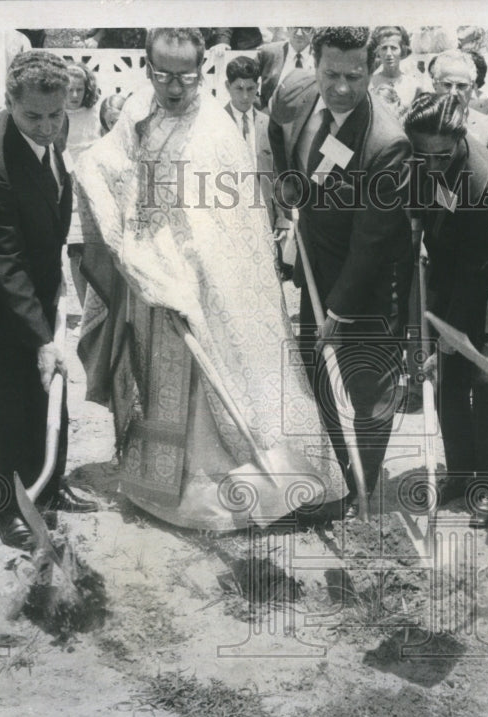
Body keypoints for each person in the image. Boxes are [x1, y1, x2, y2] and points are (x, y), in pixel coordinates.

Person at [76, 28, 346, 531]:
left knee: (222, 387)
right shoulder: (138, 113)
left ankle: (230, 492)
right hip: (149, 278)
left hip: (206, 284)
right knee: (159, 381)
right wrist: (135, 248)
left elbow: (231, 228)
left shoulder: (216, 134)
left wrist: (188, 275)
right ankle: (160, 486)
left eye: (185, 76)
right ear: (147, 67)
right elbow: (104, 165)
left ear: (201, 71)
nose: (174, 87)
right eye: (162, 75)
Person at [0, 51, 98, 551]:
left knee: (49, 394)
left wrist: (53, 307)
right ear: (10, 103)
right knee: (12, 402)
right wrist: (40, 337)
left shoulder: (52, 128)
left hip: (39, 289)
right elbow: (2, 263)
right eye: (34, 116)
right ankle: (11, 508)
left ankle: (50, 486)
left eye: (57, 115)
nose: (49, 126)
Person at [268, 26, 412, 509]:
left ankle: (365, 489)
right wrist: (291, 187)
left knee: (367, 387)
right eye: (332, 74)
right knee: (319, 378)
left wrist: (340, 310)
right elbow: (279, 131)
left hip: (366, 287)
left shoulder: (387, 143)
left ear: (372, 69)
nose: (343, 87)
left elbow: (373, 243)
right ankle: (339, 480)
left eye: (356, 75)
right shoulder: (296, 93)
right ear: (314, 64)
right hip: (314, 269)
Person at [405, 93, 488, 527]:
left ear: (460, 139)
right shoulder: (424, 156)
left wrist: (450, 338)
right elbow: (427, 210)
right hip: (452, 261)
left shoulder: (487, 179)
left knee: (484, 375)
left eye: (440, 156)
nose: (430, 163)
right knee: (447, 378)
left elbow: (477, 271)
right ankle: (460, 474)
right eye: (421, 155)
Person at [223, 55, 290, 279]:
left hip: (263, 216)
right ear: (227, 86)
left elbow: (279, 173)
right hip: (226, 217)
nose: (244, 96)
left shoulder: (268, 124)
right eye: (238, 88)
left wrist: (282, 217)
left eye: (250, 89)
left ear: (258, 87)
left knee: (265, 278)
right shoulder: (214, 124)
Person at [64, 62, 103, 310]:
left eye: (79, 89)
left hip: (94, 190)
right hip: (68, 189)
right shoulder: (56, 113)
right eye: (70, 90)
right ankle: (82, 306)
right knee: (75, 250)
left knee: (96, 251)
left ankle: (99, 309)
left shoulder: (95, 114)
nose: (75, 95)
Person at [430, 49, 488, 162]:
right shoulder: (417, 121)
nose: (453, 92)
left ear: (473, 87)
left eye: (461, 86)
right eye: (447, 85)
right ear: (435, 85)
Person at [367, 26, 428, 110]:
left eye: (394, 48)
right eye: (384, 48)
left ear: (402, 51)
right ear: (378, 51)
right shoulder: (369, 84)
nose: (388, 53)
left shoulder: (415, 86)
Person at [257, 26, 314, 108]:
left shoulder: (321, 55)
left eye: (306, 28)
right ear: (288, 28)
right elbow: (244, 77)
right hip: (272, 116)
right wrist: (261, 107)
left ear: (313, 30)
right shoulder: (269, 52)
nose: (299, 33)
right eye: (295, 27)